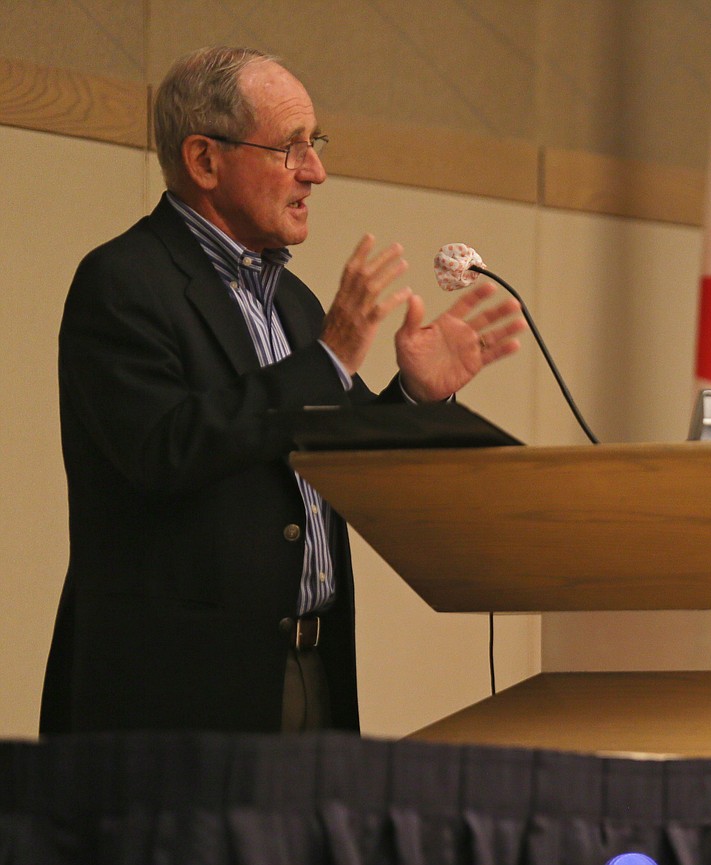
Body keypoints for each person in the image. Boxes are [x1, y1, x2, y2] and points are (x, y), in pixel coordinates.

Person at [39, 46, 525, 734]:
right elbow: (164, 449)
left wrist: (413, 395)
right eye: (291, 147)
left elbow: (337, 463)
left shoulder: (293, 304)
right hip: (175, 702)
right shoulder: (122, 283)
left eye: (315, 144)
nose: (316, 172)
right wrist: (328, 358)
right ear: (205, 160)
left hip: (311, 673)